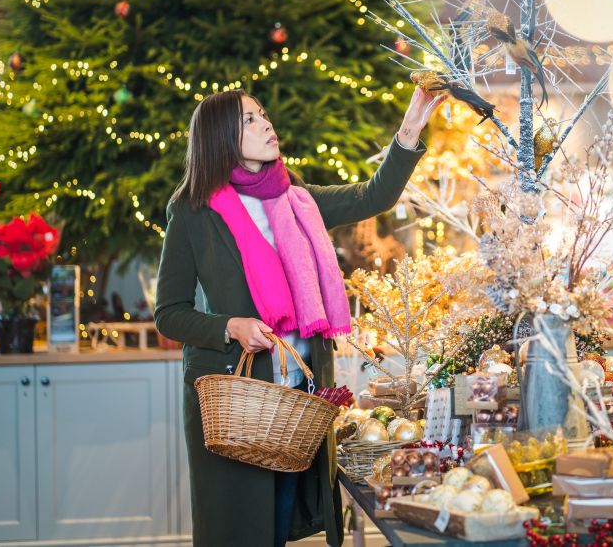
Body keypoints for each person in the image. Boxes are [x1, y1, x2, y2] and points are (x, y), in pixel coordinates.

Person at [155, 87, 442, 547]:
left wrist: (410, 127)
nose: (267, 124)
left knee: (281, 528)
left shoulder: (295, 195)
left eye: (263, 114)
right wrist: (230, 326)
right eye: (250, 120)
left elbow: (373, 196)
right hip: (240, 403)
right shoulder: (192, 212)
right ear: (220, 136)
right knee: (238, 533)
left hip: (297, 407)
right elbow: (170, 313)